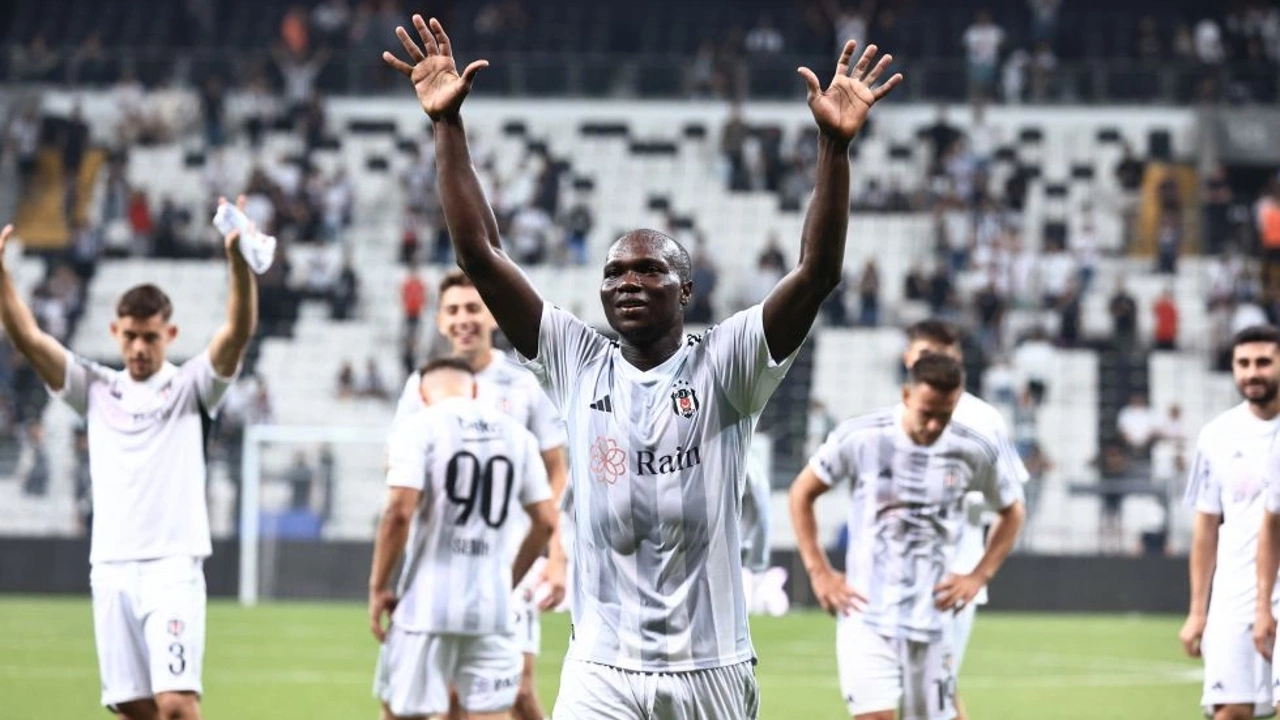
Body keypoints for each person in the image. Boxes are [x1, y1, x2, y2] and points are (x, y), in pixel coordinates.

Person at [383, 14, 901, 718]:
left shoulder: (727, 364)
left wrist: (833, 149)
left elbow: (817, 273)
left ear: (685, 289)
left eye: (648, 269)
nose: (626, 280)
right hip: (602, 670)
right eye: (614, 272)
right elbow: (481, 255)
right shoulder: (575, 360)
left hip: (709, 669)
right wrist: (447, 126)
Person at [0, 199, 258, 720]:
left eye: (151, 337)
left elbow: (236, 335)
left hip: (173, 566)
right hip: (111, 567)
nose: (140, 347)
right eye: (131, 336)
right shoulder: (95, 387)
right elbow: (28, 338)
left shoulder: (190, 386)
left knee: (178, 705)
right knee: (132, 709)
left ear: (171, 336)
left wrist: (238, 263)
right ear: (116, 333)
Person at [789, 353, 1025, 720]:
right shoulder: (861, 437)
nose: (933, 425)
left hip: (933, 620)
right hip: (867, 615)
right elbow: (802, 492)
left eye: (944, 416)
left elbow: (1012, 511)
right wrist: (818, 570)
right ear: (906, 395)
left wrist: (980, 575)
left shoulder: (972, 449)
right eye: (926, 413)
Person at [391, 270, 569, 720]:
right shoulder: (421, 388)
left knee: (519, 688)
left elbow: (557, 470)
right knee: (451, 699)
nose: (463, 319)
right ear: (438, 321)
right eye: (453, 310)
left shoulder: (524, 384)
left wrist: (556, 556)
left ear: (491, 313)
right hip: (443, 563)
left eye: (473, 307)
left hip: (514, 557)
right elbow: (396, 469)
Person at [369, 358, 558, 720]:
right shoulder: (518, 436)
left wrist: (378, 587)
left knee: (399, 713)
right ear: (474, 389)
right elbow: (546, 522)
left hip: (424, 609)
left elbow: (398, 512)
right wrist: (507, 580)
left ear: (423, 395)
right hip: (493, 610)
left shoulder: (418, 427)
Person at [899, 320, 1029, 720]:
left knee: (933, 692)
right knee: (913, 696)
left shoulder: (982, 419)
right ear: (908, 357)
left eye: (942, 357)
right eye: (924, 355)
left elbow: (1011, 500)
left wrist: (978, 574)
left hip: (950, 576)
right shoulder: (890, 416)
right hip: (895, 578)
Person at [1180, 325, 1280, 720]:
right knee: (1230, 711)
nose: (1252, 373)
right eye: (1243, 363)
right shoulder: (1217, 436)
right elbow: (1206, 526)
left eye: (1263, 362)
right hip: (1235, 592)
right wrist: (1197, 609)